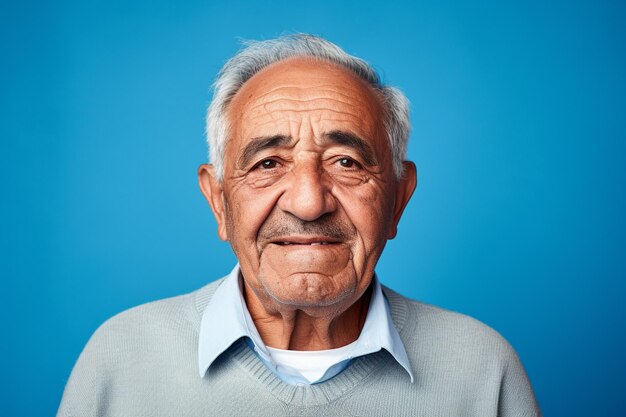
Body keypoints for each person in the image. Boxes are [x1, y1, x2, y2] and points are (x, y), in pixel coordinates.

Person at [58, 34, 541, 417]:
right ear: (219, 201)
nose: (310, 202)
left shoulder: (481, 368)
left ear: (398, 197)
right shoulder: (121, 359)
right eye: (268, 164)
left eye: (347, 162)